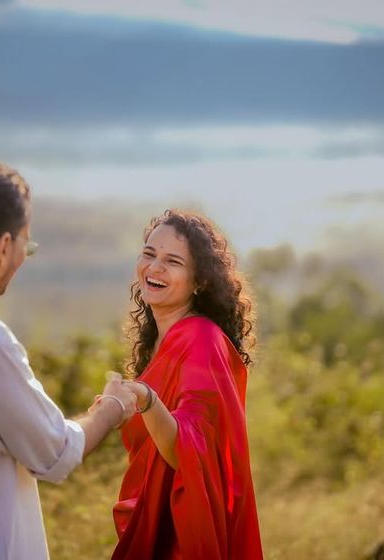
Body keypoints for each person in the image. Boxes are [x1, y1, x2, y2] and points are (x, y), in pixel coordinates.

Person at [0, 163, 137, 560]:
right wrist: (111, 409)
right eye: (25, 246)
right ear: (2, 246)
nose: (22, 258)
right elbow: (55, 453)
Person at [111, 209, 264, 559]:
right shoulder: (163, 340)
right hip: (156, 523)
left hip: (182, 537)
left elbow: (187, 452)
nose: (154, 268)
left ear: (199, 281)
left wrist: (147, 401)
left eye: (172, 261)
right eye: (149, 254)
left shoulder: (200, 340)